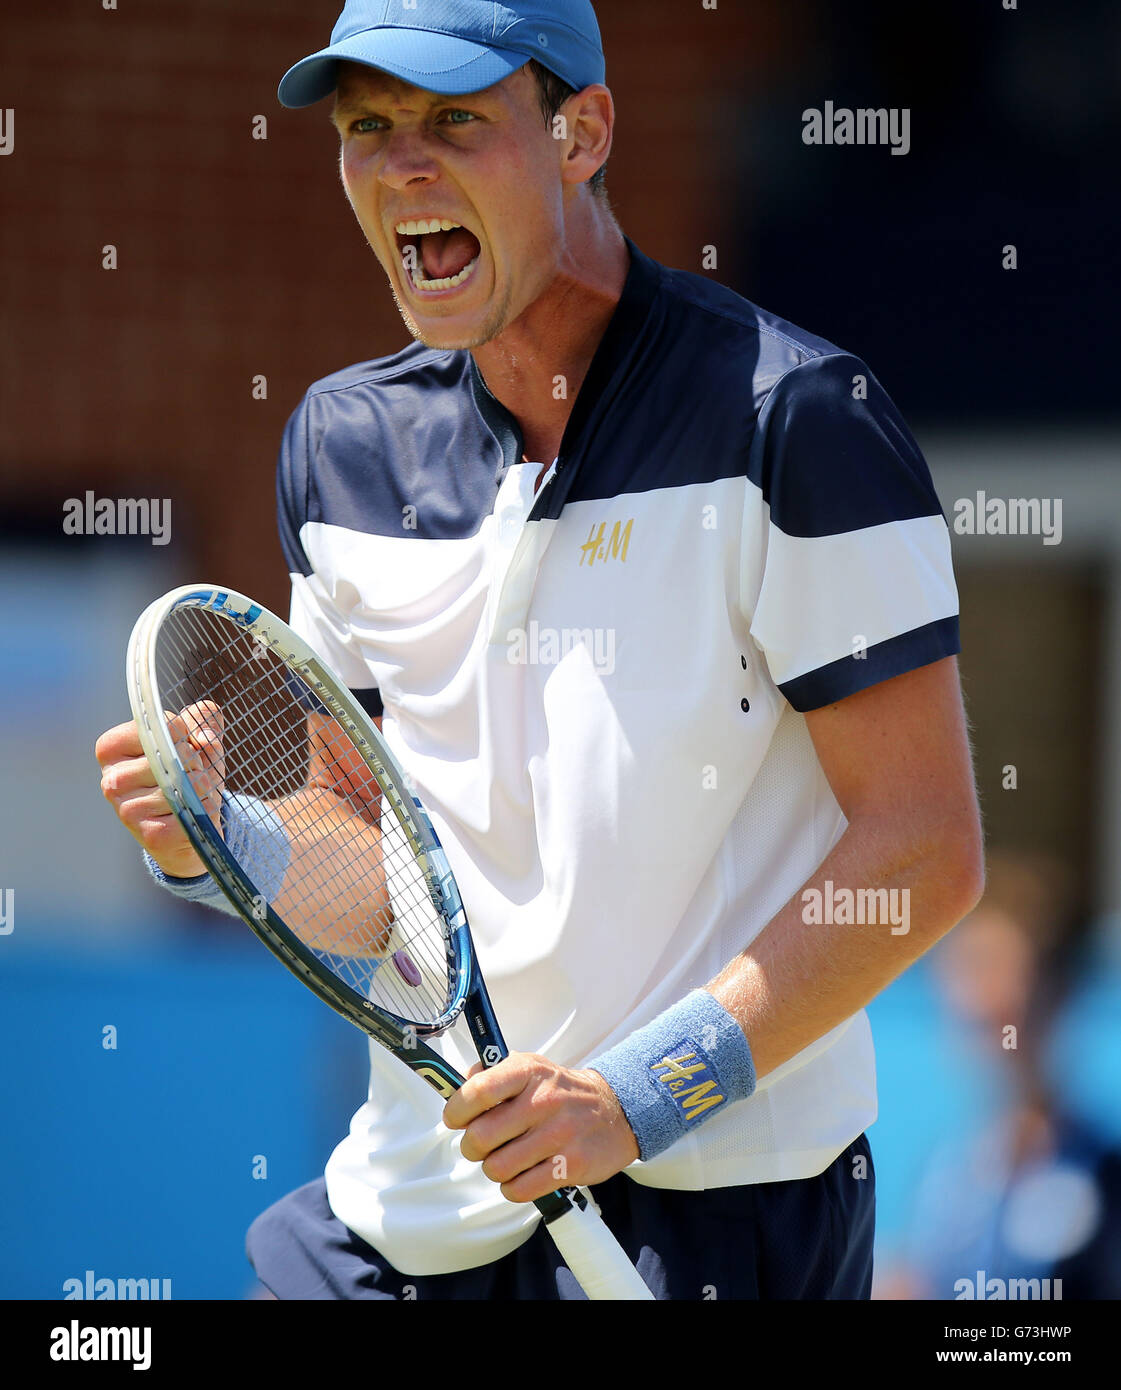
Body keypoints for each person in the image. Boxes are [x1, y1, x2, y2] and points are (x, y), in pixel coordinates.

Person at [95, 0, 984, 1300]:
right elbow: (381, 856)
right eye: (367, 127)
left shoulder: (800, 421)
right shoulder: (337, 450)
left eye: (455, 118)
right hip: (401, 1221)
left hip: (721, 1226)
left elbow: (922, 851)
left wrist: (631, 1099)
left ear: (584, 132)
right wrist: (232, 836)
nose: (403, 164)